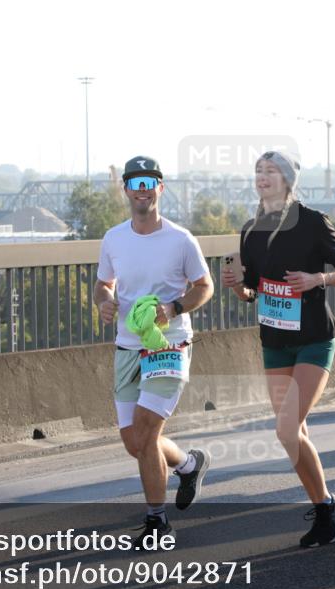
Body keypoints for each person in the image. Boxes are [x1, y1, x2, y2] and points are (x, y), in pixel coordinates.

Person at [221, 150, 335, 548]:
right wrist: (237, 286)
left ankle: (327, 507)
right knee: (294, 431)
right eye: (258, 171)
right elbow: (251, 290)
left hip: (314, 338)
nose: (263, 177)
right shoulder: (250, 229)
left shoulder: (312, 221)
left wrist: (317, 278)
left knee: (284, 429)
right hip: (275, 342)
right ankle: (323, 512)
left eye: (272, 171)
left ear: (287, 180)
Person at [94, 156, 215, 548]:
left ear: (160, 188)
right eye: (135, 181)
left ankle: (156, 523)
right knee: (135, 443)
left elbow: (204, 286)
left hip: (168, 345)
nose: (142, 188)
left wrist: (173, 308)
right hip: (127, 347)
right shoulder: (114, 238)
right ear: (126, 189)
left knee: (146, 432)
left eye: (150, 181)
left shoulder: (181, 239)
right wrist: (104, 300)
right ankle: (188, 464)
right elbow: (102, 285)